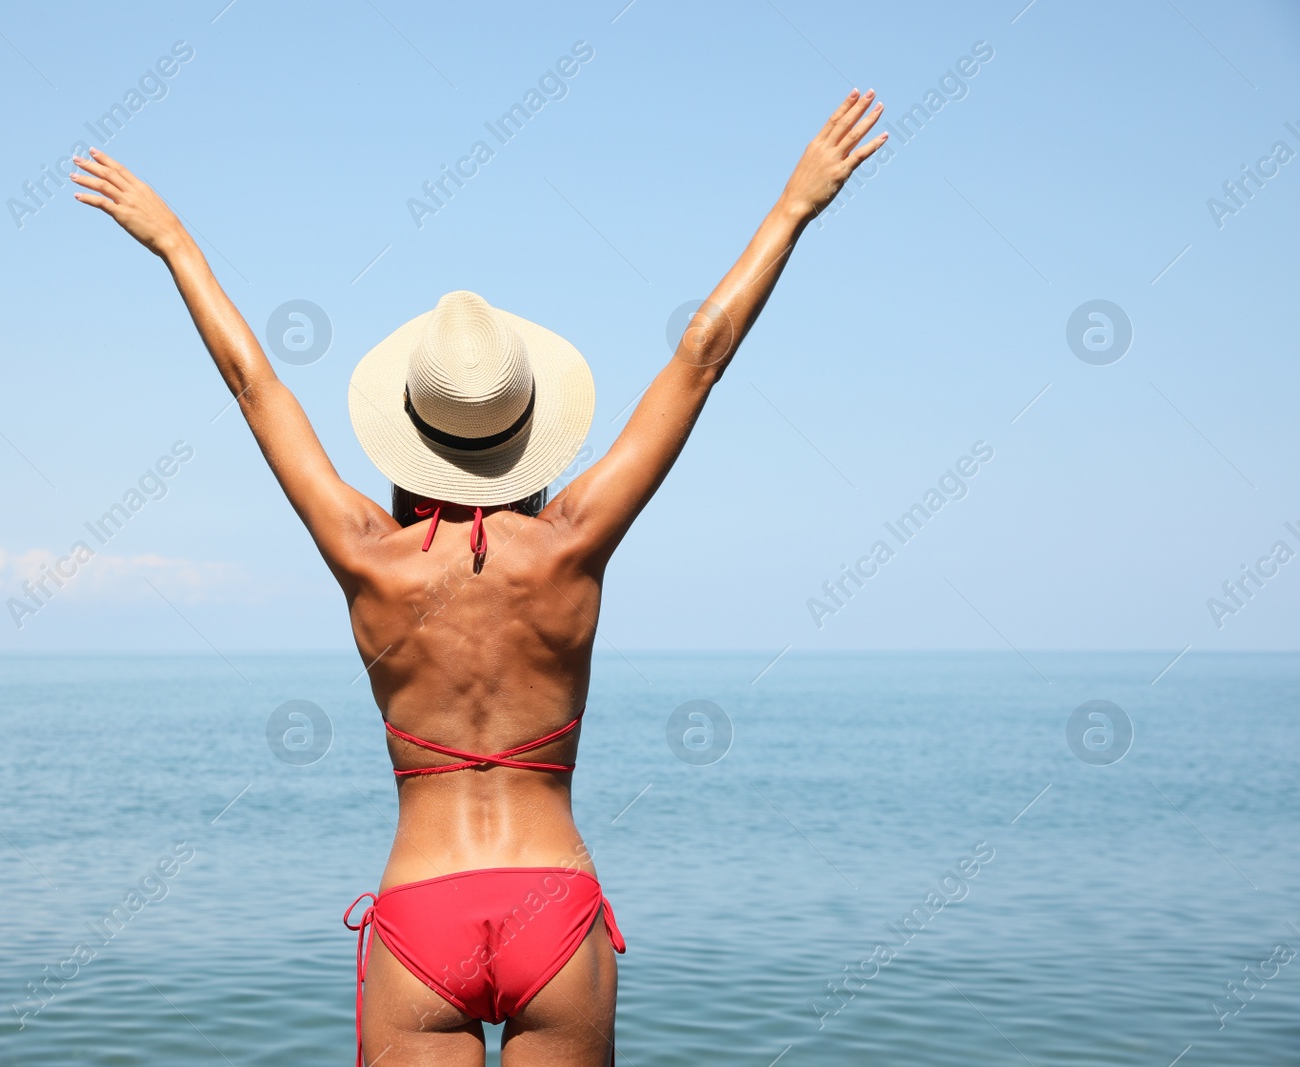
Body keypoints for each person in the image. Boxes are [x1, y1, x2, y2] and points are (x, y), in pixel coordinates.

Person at [76, 88, 886, 1067]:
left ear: (407, 433)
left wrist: (174, 243)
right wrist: (794, 205)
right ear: (529, 434)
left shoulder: (364, 551)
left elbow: (256, 386)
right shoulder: (573, 542)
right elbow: (698, 357)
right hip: (554, 904)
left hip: (423, 913)